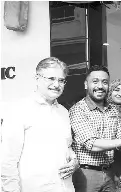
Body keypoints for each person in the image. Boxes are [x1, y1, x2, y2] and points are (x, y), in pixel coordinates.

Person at [1, 57, 79, 192]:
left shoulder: (63, 112)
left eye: (61, 80)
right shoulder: (18, 109)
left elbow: (67, 147)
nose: (57, 84)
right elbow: (7, 160)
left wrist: (74, 161)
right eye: (51, 78)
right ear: (37, 78)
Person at [69, 65, 121, 192]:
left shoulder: (112, 110)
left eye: (104, 82)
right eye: (95, 81)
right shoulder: (78, 110)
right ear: (86, 84)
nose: (100, 86)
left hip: (110, 174)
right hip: (86, 174)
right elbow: (92, 144)